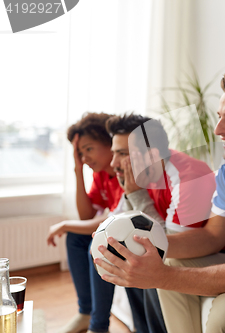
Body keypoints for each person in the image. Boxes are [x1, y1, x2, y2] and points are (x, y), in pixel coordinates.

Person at [93, 67, 225, 333]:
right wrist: (142, 244)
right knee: (170, 259)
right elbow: (212, 237)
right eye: (219, 117)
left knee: (224, 312)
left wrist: (163, 275)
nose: (218, 129)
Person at [104, 113, 225, 332]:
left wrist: (137, 196)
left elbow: (167, 246)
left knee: (152, 261)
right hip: (195, 249)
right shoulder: (143, 173)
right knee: (127, 254)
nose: (113, 163)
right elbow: (120, 224)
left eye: (122, 154)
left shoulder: (187, 177)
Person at [47, 112, 123, 333]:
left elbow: (110, 220)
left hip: (127, 232)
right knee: (75, 238)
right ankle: (85, 312)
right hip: (112, 227)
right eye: (80, 153)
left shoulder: (124, 171)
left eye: (89, 149)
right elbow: (87, 217)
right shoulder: (100, 174)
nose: (85, 157)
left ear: (111, 143)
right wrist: (78, 171)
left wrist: (63, 224)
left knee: (94, 245)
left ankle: (99, 326)